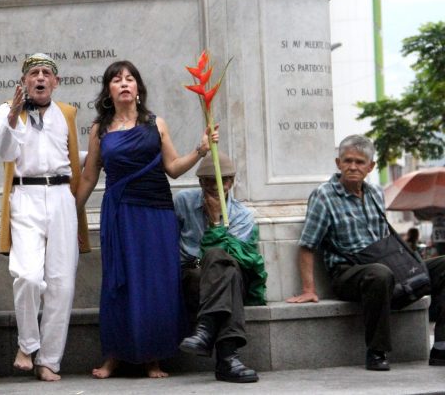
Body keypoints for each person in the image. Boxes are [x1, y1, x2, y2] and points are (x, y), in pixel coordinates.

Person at [76, 60, 215, 379]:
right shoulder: (100, 128)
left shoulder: (156, 123)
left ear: (138, 88)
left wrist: (200, 150)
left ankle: (153, 358)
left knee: (156, 283)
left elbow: (174, 168)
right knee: (118, 281)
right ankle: (114, 355)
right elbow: (88, 175)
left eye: (129, 78)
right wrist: (71, 213)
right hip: (119, 213)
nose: (124, 83)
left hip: (156, 213)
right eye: (116, 79)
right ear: (109, 91)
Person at [287, 134, 445, 370]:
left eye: (360, 162)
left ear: (371, 167)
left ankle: (441, 346)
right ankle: (377, 351)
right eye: (347, 160)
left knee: (442, 265)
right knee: (379, 274)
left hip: (385, 266)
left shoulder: (376, 193)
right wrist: (309, 289)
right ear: (338, 163)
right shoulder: (324, 195)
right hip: (348, 273)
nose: (353, 167)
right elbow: (308, 245)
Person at [0, 53, 90, 382]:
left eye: (47, 72)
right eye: (34, 72)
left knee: (62, 284)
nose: (40, 77)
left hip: (62, 197)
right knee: (29, 276)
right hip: (26, 198)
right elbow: (5, 152)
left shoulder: (67, 113)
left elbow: (72, 156)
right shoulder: (8, 109)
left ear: (56, 82)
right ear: (24, 81)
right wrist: (14, 116)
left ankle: (49, 360)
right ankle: (27, 344)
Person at [174, 152, 264, 383]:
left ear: (231, 182)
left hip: (231, 278)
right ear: (200, 182)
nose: (215, 186)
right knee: (224, 273)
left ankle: (205, 330)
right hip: (192, 278)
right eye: (208, 180)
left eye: (222, 180)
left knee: (222, 262)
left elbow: (235, 256)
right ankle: (227, 360)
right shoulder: (183, 202)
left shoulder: (242, 216)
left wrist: (215, 222)